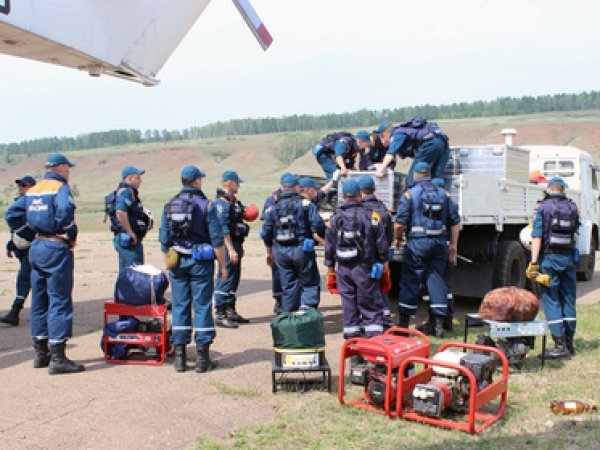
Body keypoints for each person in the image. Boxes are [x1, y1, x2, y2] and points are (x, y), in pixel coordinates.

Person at [8, 154, 84, 374]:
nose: (69, 171)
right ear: (60, 167)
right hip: (55, 246)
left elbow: (12, 214)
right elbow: (65, 213)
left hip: (37, 246)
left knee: (39, 300)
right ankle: (58, 357)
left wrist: (26, 233)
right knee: (59, 300)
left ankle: (41, 353)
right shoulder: (60, 187)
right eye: (68, 167)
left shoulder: (35, 189)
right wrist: (70, 233)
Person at [159, 165, 227, 373]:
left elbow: (164, 240)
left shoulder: (169, 204)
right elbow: (217, 240)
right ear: (197, 181)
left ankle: (180, 358)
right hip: (200, 263)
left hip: (177, 262)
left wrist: (168, 262)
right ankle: (202, 360)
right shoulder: (207, 205)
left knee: (180, 306)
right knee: (203, 306)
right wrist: (223, 267)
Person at [394, 162, 460, 337]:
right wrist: (453, 245)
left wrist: (397, 239)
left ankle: (403, 327)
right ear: (429, 174)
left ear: (415, 175)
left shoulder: (410, 195)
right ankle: (438, 327)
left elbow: (400, 224)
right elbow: (454, 222)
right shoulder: (444, 194)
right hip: (439, 244)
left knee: (410, 281)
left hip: (417, 244)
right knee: (436, 280)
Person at [325, 179, 389, 338]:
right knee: (370, 307)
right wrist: (384, 263)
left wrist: (331, 269)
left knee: (349, 308)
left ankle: (353, 350)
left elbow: (329, 245)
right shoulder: (371, 216)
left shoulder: (335, 217)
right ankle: (373, 349)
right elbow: (381, 242)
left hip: (343, 270)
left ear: (342, 196)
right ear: (360, 194)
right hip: (365, 269)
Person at [528, 177, 579, 359]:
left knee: (551, 299)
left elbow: (537, 236)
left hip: (549, 259)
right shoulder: (573, 207)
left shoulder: (543, 207)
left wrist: (534, 262)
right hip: (568, 260)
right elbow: (575, 234)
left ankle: (559, 346)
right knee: (568, 299)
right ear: (563, 190)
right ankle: (569, 343)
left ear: (549, 189)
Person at [262, 173, 325, 312]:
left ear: (283, 187)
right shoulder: (305, 204)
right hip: (302, 250)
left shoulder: (273, 208)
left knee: (289, 286)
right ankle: (306, 316)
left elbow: (266, 232)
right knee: (309, 283)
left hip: (281, 253)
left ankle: (290, 319)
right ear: (297, 187)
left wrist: (269, 251)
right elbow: (318, 225)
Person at [417, 178, 457, 335]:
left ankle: (434, 322)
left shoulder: (428, 201)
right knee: (445, 286)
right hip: (446, 247)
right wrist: (454, 245)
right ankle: (446, 321)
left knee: (432, 285)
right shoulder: (450, 202)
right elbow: (455, 224)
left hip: (436, 248)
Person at [212, 170, 251, 329]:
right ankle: (220, 314)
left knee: (234, 278)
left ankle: (230, 310)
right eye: (237, 182)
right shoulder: (221, 203)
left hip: (236, 243)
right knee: (225, 276)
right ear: (229, 183)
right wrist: (231, 250)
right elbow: (223, 229)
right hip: (227, 245)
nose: (239, 185)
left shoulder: (233, 202)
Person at [358, 175, 394, 329]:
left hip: (362, 259)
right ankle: (385, 318)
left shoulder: (357, 210)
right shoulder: (384, 210)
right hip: (380, 258)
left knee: (363, 290)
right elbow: (389, 236)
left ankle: (365, 321)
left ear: (360, 192)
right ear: (374, 190)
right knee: (382, 287)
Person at [2, 176, 37, 326]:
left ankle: (15, 311)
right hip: (21, 247)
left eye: (24, 185)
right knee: (30, 278)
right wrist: (11, 244)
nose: (21, 188)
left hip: (33, 246)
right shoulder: (18, 204)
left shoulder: (36, 204)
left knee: (24, 277)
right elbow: (14, 227)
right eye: (20, 185)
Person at [376, 117, 450, 186]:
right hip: (443, 143)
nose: (381, 139)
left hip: (430, 144)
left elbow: (390, 154)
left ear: (386, 133)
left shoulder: (397, 134)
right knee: (434, 178)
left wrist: (380, 169)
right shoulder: (404, 131)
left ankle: (413, 198)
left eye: (381, 136)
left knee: (413, 178)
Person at [109, 166, 150, 271]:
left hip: (125, 238)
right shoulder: (126, 191)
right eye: (138, 178)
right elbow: (120, 211)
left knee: (127, 274)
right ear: (130, 178)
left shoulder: (126, 191)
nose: (140, 181)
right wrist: (130, 232)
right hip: (129, 240)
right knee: (135, 273)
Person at [261, 185, 284, 313]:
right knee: (277, 273)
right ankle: (279, 301)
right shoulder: (271, 200)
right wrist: (268, 251)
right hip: (276, 243)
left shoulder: (297, 199)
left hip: (288, 244)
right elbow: (266, 227)